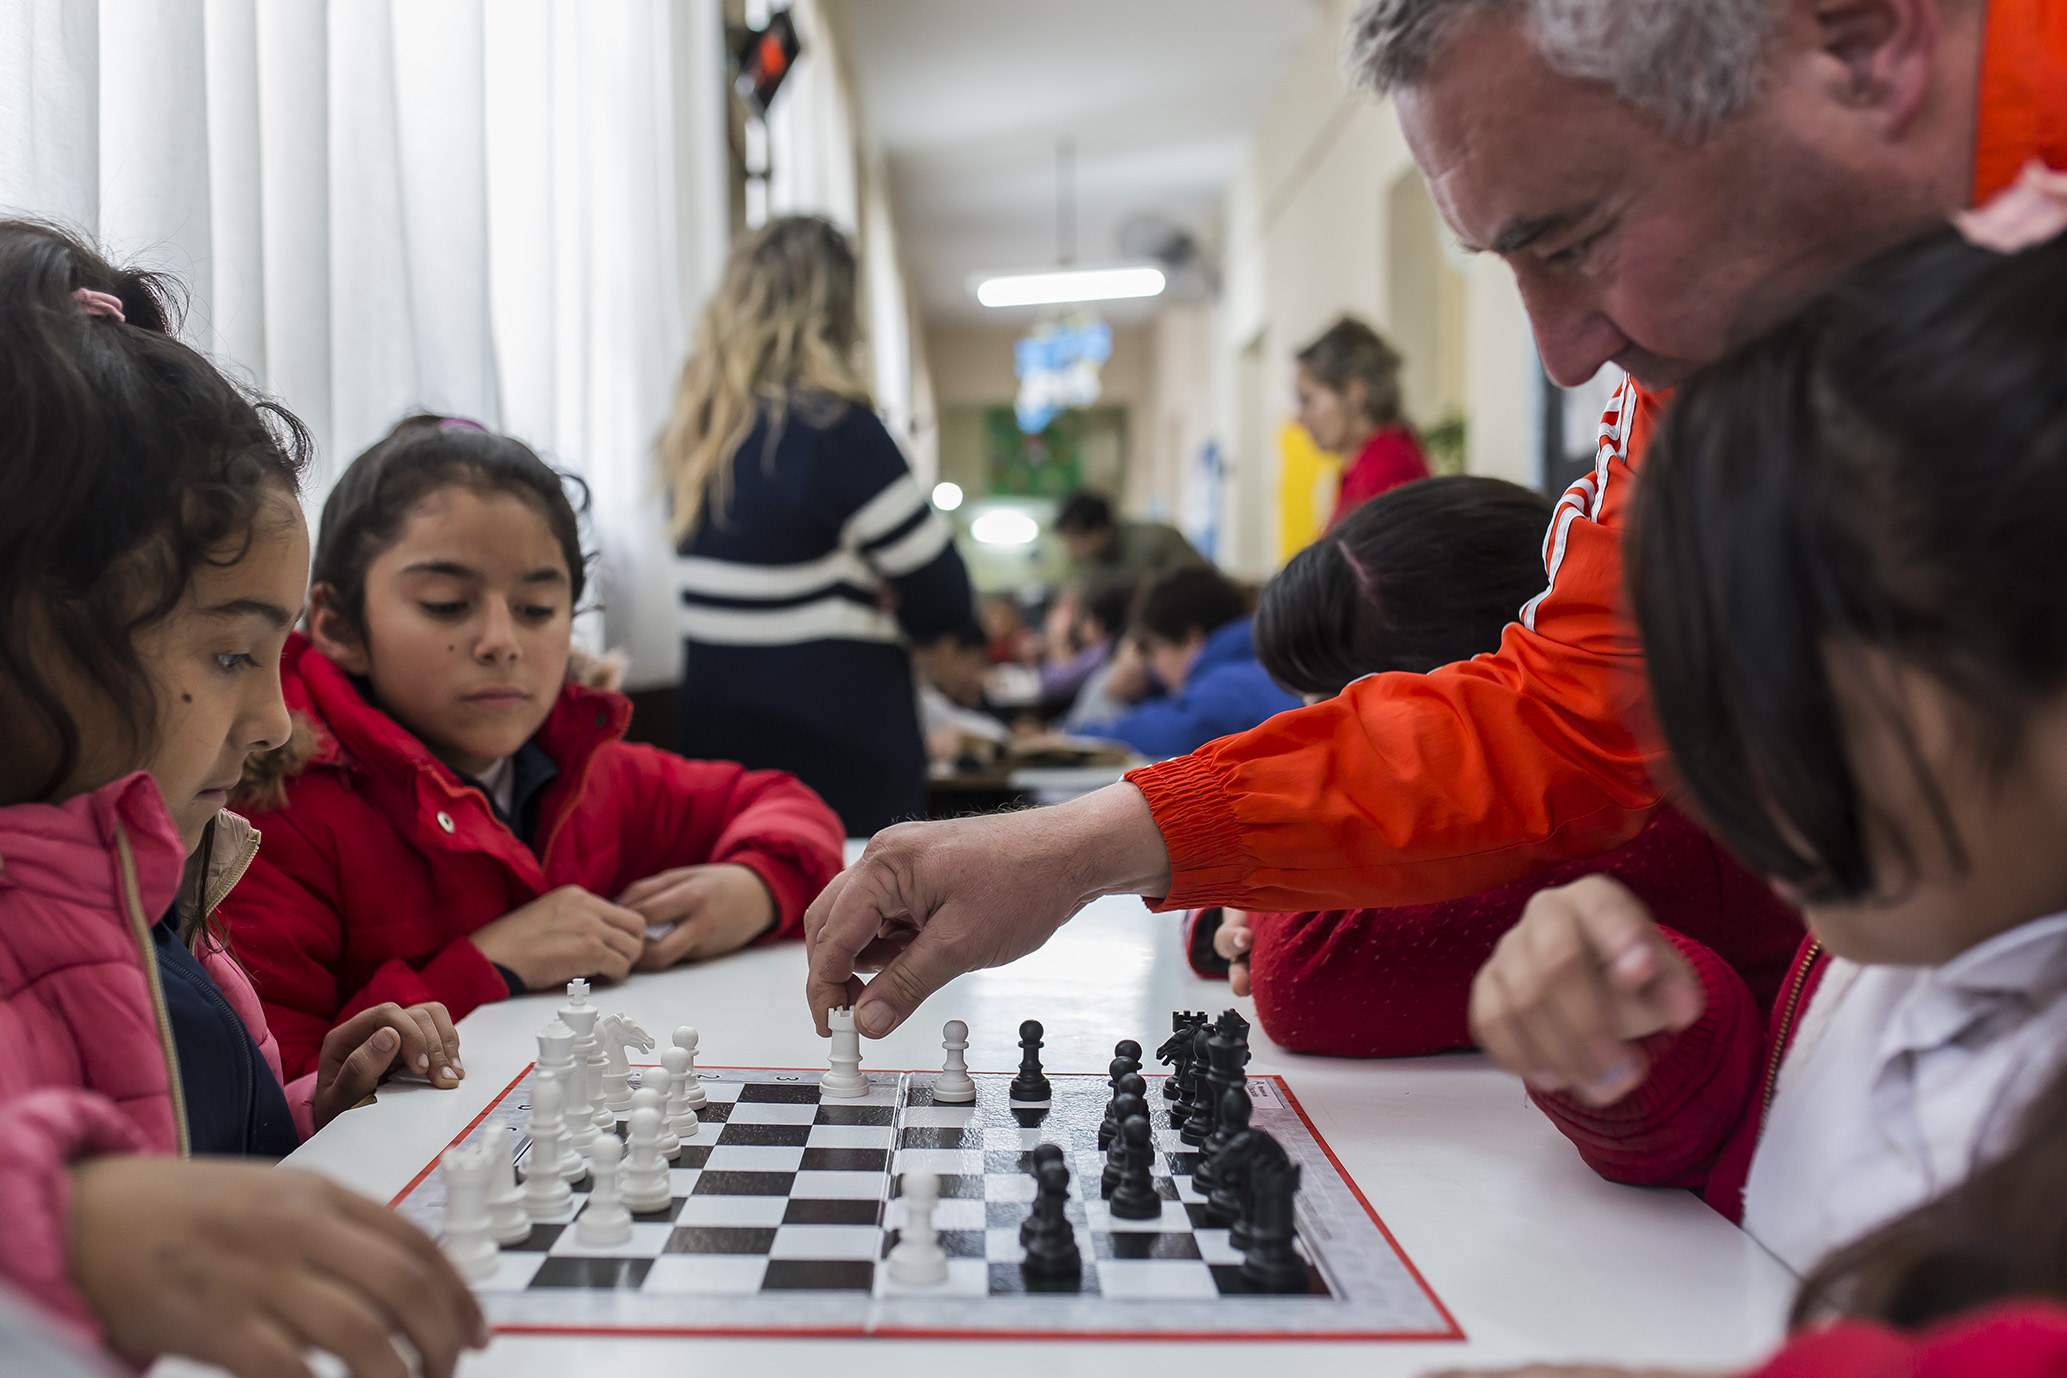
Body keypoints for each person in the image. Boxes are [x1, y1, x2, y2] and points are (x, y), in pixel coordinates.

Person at [803, 0, 2067, 1045]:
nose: (1562, 356)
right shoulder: (1704, 355)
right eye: (1508, 263)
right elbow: (1557, 720)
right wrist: (1080, 849)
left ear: (1864, 43)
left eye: (1578, 238)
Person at [1441, 217, 2067, 1378]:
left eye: (1791, 694)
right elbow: (1780, 1187)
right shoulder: (1887, 947)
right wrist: (1649, 1053)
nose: (1729, 767)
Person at [0, 221, 484, 1377]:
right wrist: (74, 1226)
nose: (273, 720)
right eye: (229, 655)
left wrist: (318, 1115)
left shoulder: (158, 896)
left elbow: (190, 1173)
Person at [220, 416, 847, 1080]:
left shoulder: (585, 768)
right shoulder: (270, 817)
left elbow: (786, 804)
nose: (501, 641)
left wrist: (753, 889)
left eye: (537, 609)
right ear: (339, 625)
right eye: (445, 604)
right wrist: (485, 964)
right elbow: (278, 1089)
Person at [1194, 476, 1801, 1055]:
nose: (1323, 759)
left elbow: (1304, 974)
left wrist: (1275, 871)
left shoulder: (1643, 815)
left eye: (1345, 722)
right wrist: (1251, 891)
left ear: (1472, 699)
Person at [662, 216, 973, 836]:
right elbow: (947, 599)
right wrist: (882, 592)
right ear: (836, 311)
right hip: (838, 748)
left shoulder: (693, 439)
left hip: (717, 748)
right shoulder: (839, 433)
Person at [1076, 564, 1299, 761]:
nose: (1152, 667)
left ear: (1191, 637)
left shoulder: (1226, 685)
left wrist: (1074, 736)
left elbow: (1172, 731)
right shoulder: (1260, 662)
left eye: (1152, 650)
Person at [1293, 316, 1431, 528]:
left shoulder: (1389, 470)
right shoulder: (1362, 467)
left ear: (1354, 391)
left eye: (1308, 400)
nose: (1300, 419)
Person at [1051, 490, 1200, 599]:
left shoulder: (1154, 541)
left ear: (1098, 529)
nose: (1071, 549)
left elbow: (1203, 585)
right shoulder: (1093, 568)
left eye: (1075, 538)